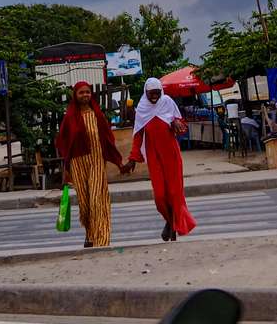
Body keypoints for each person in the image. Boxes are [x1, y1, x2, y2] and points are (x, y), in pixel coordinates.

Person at [121, 79, 198, 241]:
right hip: (154, 156)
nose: (155, 95)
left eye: (157, 92)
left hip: (171, 154)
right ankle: (170, 222)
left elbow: (181, 125)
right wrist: (132, 159)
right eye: (152, 93)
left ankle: (174, 227)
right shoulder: (142, 109)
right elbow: (138, 136)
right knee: (160, 197)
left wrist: (177, 123)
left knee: (174, 193)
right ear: (145, 92)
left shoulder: (167, 102)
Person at [55, 81, 126, 248]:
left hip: (96, 162)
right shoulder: (70, 117)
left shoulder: (98, 115)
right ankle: (90, 234)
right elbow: (64, 143)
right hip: (78, 164)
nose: (85, 95)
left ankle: (101, 239)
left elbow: (108, 139)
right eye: (81, 93)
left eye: (87, 92)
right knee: (85, 205)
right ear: (76, 95)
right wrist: (66, 169)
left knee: (96, 200)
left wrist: (118, 162)